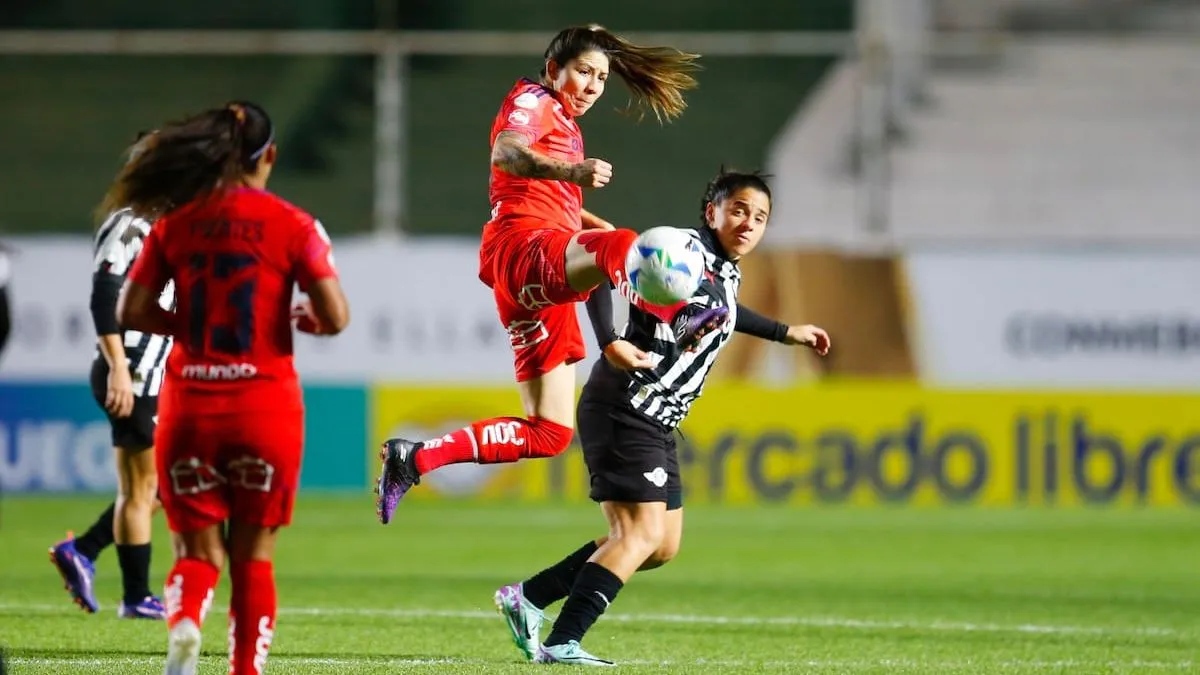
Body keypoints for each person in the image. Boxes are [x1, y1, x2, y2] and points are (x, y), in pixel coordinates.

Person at [376, 24, 715, 523]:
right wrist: (573, 174)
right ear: (554, 69)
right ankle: (681, 313)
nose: (593, 86)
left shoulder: (564, 122)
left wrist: (582, 214)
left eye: (601, 78)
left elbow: (543, 195)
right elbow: (507, 153)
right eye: (584, 72)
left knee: (549, 432)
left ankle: (415, 458)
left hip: (531, 275)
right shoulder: (533, 100)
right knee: (620, 245)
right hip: (523, 249)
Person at [493, 169, 830, 665]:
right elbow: (601, 260)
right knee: (638, 535)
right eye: (738, 210)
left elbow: (726, 310)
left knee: (660, 546)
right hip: (628, 404)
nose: (748, 223)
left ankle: (529, 597)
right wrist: (610, 340)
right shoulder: (677, 249)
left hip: (658, 417)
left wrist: (785, 332)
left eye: (759, 217)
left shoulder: (724, 268)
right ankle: (563, 642)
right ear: (712, 211)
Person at [111, 100, 349, 675]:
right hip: (264, 407)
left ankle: (186, 622)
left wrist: (188, 326)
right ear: (269, 156)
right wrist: (311, 323)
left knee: (196, 552)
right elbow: (336, 314)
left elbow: (131, 309)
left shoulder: (176, 223)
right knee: (253, 558)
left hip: (190, 405)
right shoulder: (293, 223)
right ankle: (244, 669)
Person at [49, 132, 173, 620]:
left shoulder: (164, 228)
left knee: (161, 485)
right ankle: (135, 595)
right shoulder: (128, 225)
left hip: (153, 374)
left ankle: (84, 550)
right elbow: (104, 297)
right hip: (133, 372)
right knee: (143, 489)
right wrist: (120, 366)